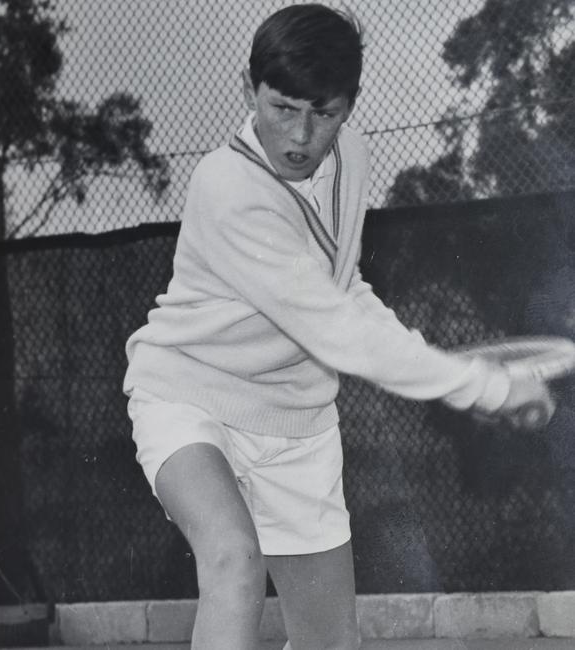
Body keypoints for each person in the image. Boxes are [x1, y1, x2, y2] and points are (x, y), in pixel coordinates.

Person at [123, 5, 554, 649]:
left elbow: (343, 291)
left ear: (351, 105)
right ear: (249, 90)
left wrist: (455, 373)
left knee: (330, 642)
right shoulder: (227, 186)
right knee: (234, 563)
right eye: (282, 107)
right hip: (189, 395)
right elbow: (336, 330)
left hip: (298, 421)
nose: (300, 134)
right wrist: (482, 387)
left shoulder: (349, 156)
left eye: (323, 112)